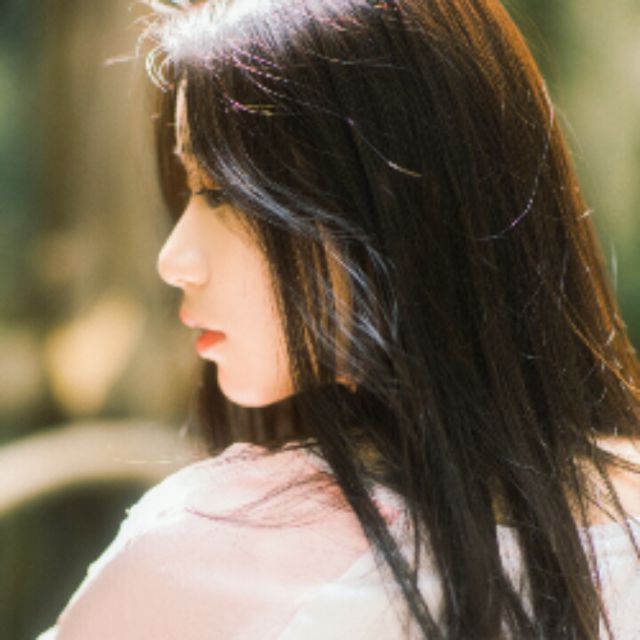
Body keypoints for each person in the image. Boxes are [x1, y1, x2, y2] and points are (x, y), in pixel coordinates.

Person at [38, 0, 640, 638]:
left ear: (395, 201)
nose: (174, 260)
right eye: (189, 191)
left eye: (220, 193)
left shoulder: (210, 554)